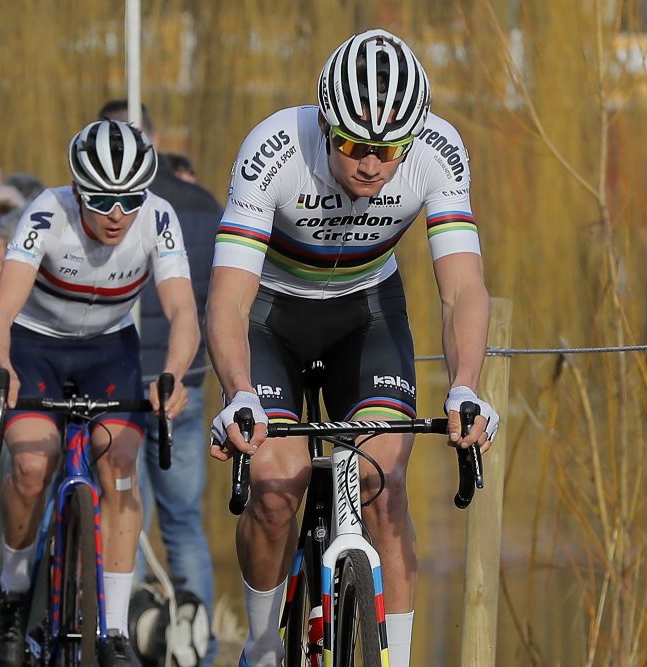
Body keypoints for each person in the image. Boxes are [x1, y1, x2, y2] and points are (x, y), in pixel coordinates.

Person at [205, 29, 501, 667]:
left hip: (366, 316)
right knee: (275, 485)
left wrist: (465, 387)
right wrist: (238, 393)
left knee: (381, 482)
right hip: (271, 317)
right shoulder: (274, 148)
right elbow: (228, 299)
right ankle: (262, 646)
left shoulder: (439, 150)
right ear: (324, 122)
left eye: (389, 150)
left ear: (411, 139)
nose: (371, 163)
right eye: (352, 145)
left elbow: (462, 291)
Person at [0, 119, 200, 667]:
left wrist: (172, 375)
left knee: (120, 468)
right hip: (36, 345)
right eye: (101, 200)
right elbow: (0, 310)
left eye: (130, 199)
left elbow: (182, 312)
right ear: (77, 191)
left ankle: (115, 628)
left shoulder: (158, 217)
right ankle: (13, 591)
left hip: (109, 350)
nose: (117, 214)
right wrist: (0, 368)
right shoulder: (45, 214)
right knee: (33, 466)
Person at [98, 99, 222, 665]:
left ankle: (130, 640)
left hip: (126, 383)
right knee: (183, 521)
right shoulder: (204, 204)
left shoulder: (107, 204)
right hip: (183, 380)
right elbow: (215, 293)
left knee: (126, 514)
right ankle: (198, 649)